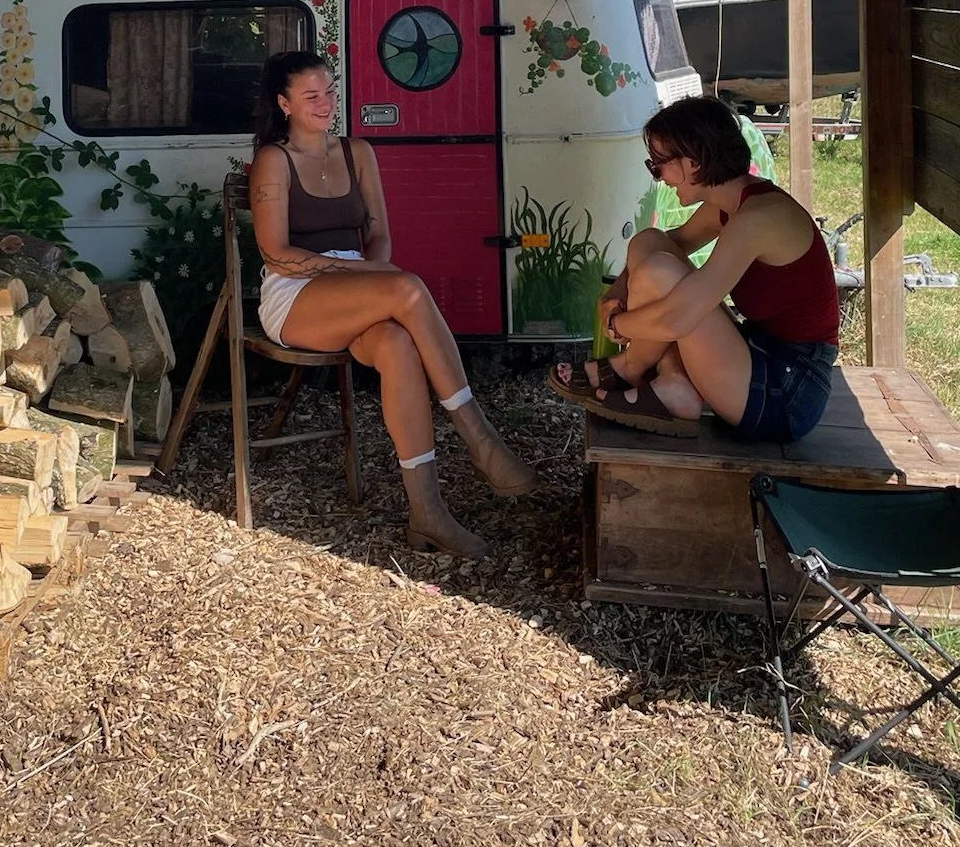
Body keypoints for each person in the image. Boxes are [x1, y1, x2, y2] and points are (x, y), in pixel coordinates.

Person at [249, 49, 535, 558]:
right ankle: (479, 437)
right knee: (407, 286)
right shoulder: (275, 159)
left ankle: (427, 515)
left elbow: (379, 233)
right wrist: (364, 271)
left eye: (331, 91)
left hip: (359, 287)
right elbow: (276, 253)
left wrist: (370, 268)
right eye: (312, 95)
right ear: (284, 103)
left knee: (398, 343)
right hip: (296, 296)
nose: (326, 103)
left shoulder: (357, 151)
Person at [551, 95, 837, 442]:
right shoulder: (732, 203)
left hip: (786, 392)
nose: (658, 176)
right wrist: (615, 292)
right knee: (648, 243)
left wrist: (617, 322)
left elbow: (678, 318)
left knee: (662, 275)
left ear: (693, 161)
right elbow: (661, 243)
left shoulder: (758, 219)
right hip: (757, 353)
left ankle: (629, 367)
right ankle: (674, 386)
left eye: (659, 163)